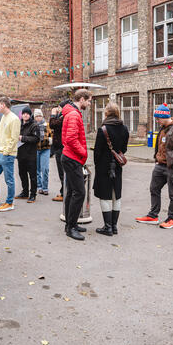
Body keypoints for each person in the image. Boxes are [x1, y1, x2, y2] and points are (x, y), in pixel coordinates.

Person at [136, 104, 173, 229]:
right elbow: (159, 145)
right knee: (154, 189)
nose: (157, 120)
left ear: (164, 116)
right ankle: (153, 215)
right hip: (160, 165)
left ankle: (172, 219)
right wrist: (156, 158)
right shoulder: (163, 128)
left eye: (158, 118)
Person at [92, 102, 129, 236]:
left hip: (103, 166)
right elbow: (124, 149)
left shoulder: (103, 129)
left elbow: (97, 151)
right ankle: (114, 226)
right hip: (117, 166)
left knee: (105, 195)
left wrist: (98, 165)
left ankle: (107, 227)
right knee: (116, 195)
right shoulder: (124, 128)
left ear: (106, 113)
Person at [61, 89, 92, 240]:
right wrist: (83, 153)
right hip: (72, 158)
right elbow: (71, 139)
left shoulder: (72, 113)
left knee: (72, 192)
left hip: (69, 157)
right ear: (81, 99)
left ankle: (70, 223)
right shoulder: (74, 115)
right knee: (79, 193)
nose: (89, 103)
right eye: (89, 100)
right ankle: (71, 227)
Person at [16, 106, 41, 202]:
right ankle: (25, 192)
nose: (25, 115)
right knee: (22, 174)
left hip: (31, 155)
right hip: (21, 154)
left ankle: (33, 194)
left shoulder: (34, 125)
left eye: (27, 113)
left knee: (32, 176)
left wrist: (23, 138)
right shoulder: (19, 124)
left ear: (30, 115)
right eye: (23, 113)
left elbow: (36, 139)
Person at [49, 103, 67, 201]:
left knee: (62, 172)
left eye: (59, 107)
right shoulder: (61, 116)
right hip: (59, 147)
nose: (57, 109)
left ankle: (64, 193)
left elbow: (52, 124)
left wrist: (52, 114)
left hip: (61, 147)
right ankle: (63, 191)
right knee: (62, 172)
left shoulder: (64, 117)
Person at [35, 108, 51, 197]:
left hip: (46, 149)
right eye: (36, 116)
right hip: (36, 149)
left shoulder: (47, 125)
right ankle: (39, 187)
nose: (38, 118)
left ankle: (45, 187)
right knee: (37, 169)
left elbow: (51, 134)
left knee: (45, 169)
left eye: (40, 116)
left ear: (42, 116)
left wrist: (50, 140)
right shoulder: (33, 125)